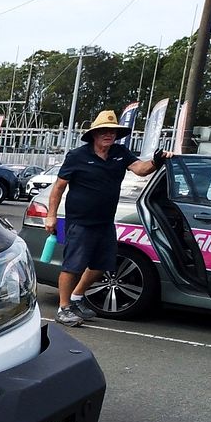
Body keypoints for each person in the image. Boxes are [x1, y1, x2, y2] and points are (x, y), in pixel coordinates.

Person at [46, 109, 171, 327]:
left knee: (103, 264)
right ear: (94, 134)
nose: (109, 134)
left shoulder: (120, 153)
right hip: (80, 221)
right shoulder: (77, 156)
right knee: (72, 266)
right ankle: (63, 308)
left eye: (112, 131)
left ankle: (76, 298)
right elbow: (58, 188)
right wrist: (51, 215)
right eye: (104, 130)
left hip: (105, 222)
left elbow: (141, 170)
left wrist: (157, 160)